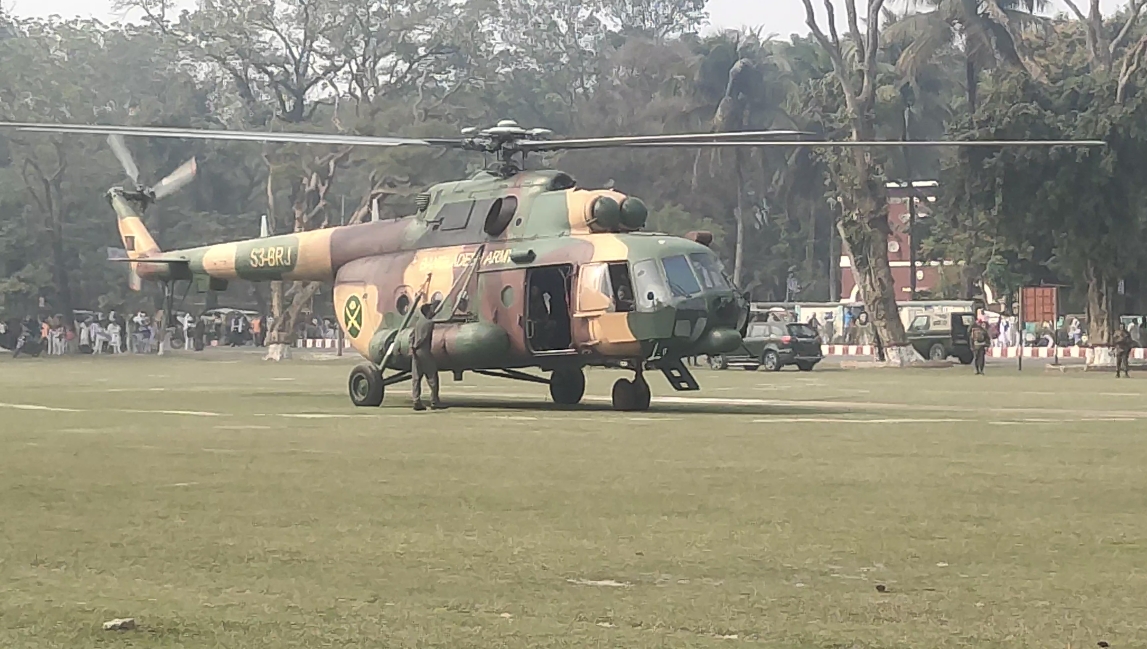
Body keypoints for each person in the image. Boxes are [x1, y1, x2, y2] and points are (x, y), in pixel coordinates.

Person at [410, 299, 444, 411]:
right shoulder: (429, 323)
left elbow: (411, 335)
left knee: (416, 377)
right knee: (432, 376)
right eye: (430, 309)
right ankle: (434, 401)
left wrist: (412, 347)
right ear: (427, 312)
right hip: (423, 350)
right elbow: (423, 338)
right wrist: (416, 345)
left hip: (415, 352)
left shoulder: (418, 322)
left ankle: (416, 400)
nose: (432, 310)